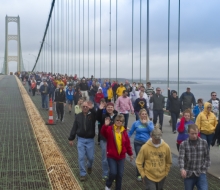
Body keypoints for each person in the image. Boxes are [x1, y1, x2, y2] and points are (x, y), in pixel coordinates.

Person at [101, 115, 133, 190]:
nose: (119, 122)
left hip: (121, 157)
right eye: (117, 120)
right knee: (113, 172)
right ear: (115, 121)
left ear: (123, 122)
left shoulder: (124, 132)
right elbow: (103, 133)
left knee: (120, 174)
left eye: (120, 121)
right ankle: (108, 185)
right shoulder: (110, 129)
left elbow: (127, 144)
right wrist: (105, 126)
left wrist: (130, 154)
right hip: (111, 156)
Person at [68, 101, 98, 181]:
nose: (85, 108)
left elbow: (98, 115)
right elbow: (74, 127)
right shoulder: (78, 116)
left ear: (89, 107)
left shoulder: (92, 115)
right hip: (80, 139)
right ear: (81, 107)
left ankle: (89, 166)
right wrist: (71, 138)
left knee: (90, 157)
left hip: (90, 139)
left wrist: (92, 109)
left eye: (86, 106)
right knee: (81, 157)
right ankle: (82, 174)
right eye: (83, 106)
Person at [178, 124, 210, 190]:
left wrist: (203, 170)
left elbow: (207, 158)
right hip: (188, 173)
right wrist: (182, 169)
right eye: (192, 134)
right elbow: (181, 158)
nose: (194, 136)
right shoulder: (183, 144)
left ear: (198, 132)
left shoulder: (204, 143)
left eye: (196, 133)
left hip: (200, 172)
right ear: (188, 133)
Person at [128, 109, 154, 182]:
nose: (144, 115)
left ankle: (146, 173)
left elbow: (153, 131)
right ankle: (139, 174)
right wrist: (125, 140)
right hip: (138, 142)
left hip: (147, 143)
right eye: (142, 114)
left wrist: (146, 124)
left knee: (147, 159)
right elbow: (130, 132)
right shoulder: (136, 123)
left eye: (145, 114)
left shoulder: (150, 123)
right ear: (139, 115)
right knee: (139, 158)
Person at [96, 102, 118, 180]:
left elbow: (121, 124)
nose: (109, 108)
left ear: (113, 108)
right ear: (106, 108)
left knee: (114, 157)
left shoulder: (117, 116)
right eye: (108, 107)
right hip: (104, 139)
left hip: (114, 140)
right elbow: (97, 118)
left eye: (111, 107)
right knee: (105, 158)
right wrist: (99, 109)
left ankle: (113, 174)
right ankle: (105, 173)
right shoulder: (103, 116)